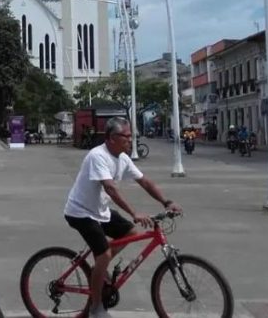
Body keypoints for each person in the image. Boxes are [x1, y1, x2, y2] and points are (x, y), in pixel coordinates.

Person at [63, 117, 181, 318]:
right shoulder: (97, 156)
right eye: (126, 136)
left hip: (100, 211)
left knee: (130, 232)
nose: (130, 140)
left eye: (131, 136)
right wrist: (134, 213)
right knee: (105, 255)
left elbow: (145, 182)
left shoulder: (123, 158)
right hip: (80, 212)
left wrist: (166, 202)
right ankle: (96, 307)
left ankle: (97, 270)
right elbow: (110, 188)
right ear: (111, 138)